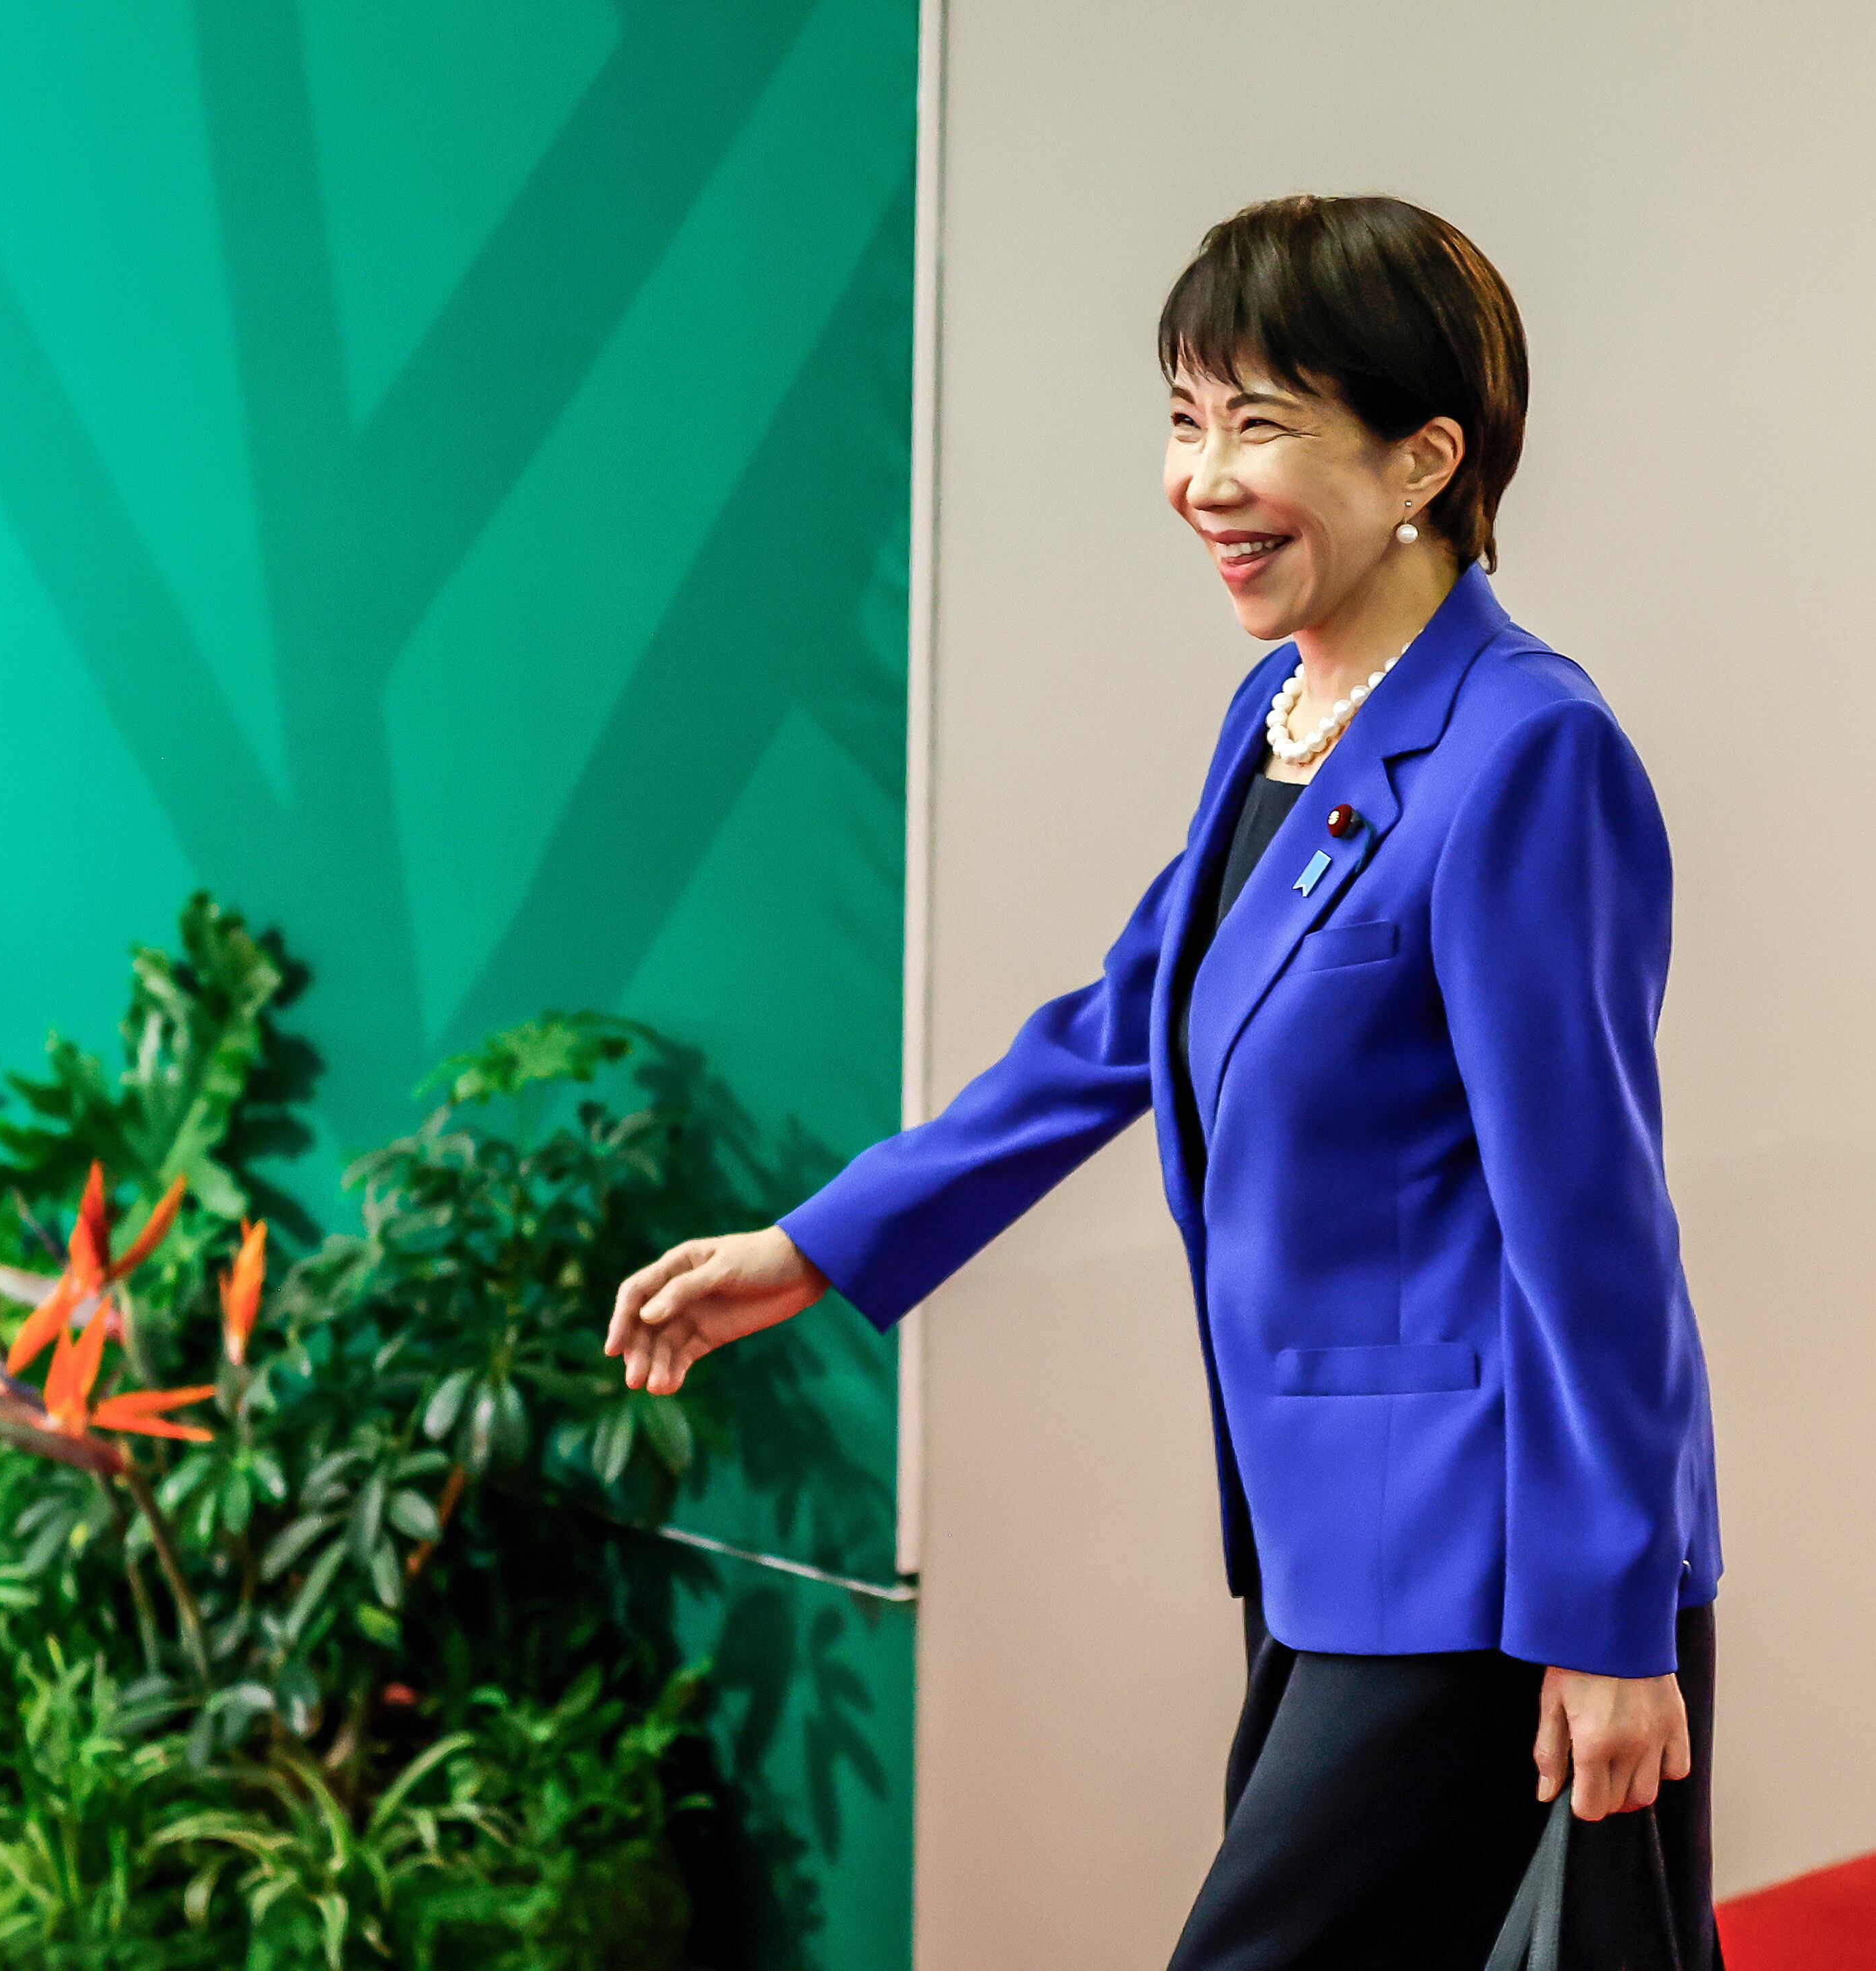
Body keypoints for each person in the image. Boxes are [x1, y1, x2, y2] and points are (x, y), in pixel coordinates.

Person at [603, 194, 1724, 1970]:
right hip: (1322, 1531)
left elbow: (1590, 1232)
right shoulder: (1289, 710)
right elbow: (1124, 1017)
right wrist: (818, 1249)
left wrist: (1611, 1619)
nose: (1199, 476)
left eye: (1257, 423)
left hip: (1483, 1556)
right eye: (1185, 417)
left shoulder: (1524, 757)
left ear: (1424, 455)